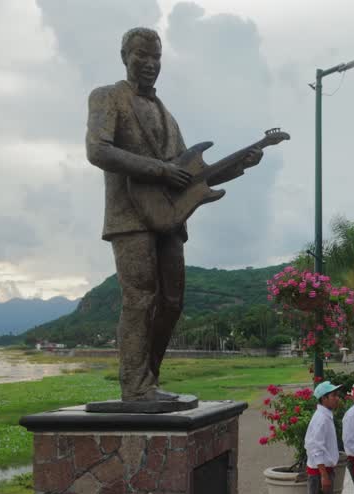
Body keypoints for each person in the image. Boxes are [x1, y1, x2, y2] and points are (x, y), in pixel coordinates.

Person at [86, 27, 262, 402]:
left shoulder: (167, 115)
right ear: (125, 57)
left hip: (169, 219)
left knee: (171, 302)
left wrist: (239, 166)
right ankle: (134, 386)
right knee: (140, 298)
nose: (150, 64)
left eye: (156, 58)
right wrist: (159, 170)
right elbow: (98, 151)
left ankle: (149, 378)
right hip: (129, 215)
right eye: (141, 56)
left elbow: (191, 177)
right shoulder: (108, 97)